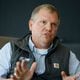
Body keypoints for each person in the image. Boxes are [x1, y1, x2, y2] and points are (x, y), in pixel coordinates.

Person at [0, 3, 80, 80]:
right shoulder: (11, 48)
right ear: (31, 25)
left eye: (53, 24)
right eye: (43, 22)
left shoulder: (67, 55)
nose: (49, 28)